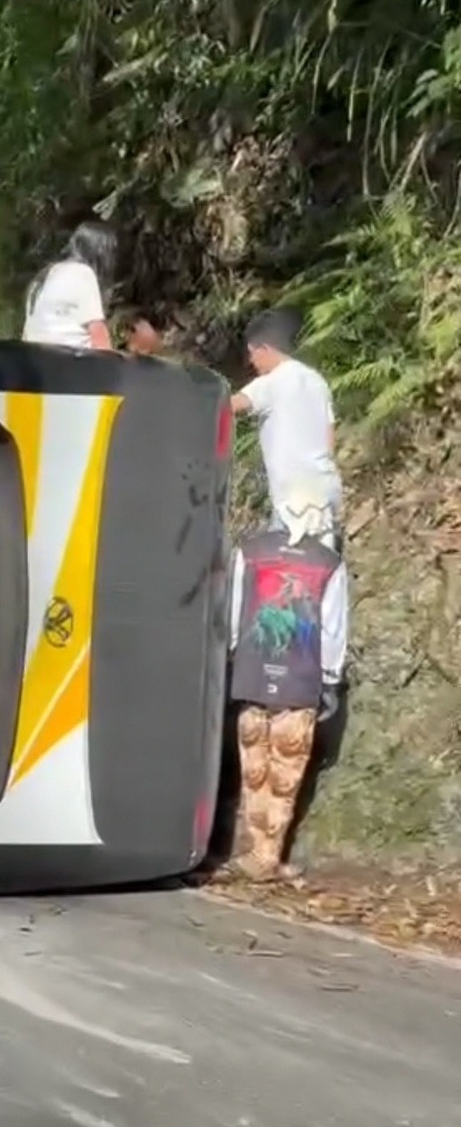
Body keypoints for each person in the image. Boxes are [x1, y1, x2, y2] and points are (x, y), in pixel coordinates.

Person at [227, 483, 348, 881]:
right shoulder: (328, 563)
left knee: (254, 769)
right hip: (300, 683)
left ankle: (254, 853)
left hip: (251, 675)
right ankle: (267, 856)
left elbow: (233, 615)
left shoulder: (249, 551)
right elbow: (332, 630)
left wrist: (234, 656)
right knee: (285, 776)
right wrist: (330, 679)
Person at [230, 309, 342, 538]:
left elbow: (229, 406)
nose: (251, 362)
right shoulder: (317, 380)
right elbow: (329, 438)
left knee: (293, 569)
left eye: (252, 354)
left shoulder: (272, 382)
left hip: (296, 501)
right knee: (322, 564)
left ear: (265, 349)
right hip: (326, 489)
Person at [22, 220, 117, 350]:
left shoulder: (43, 276)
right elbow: (98, 334)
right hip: (71, 362)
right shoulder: (84, 274)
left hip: (36, 360)